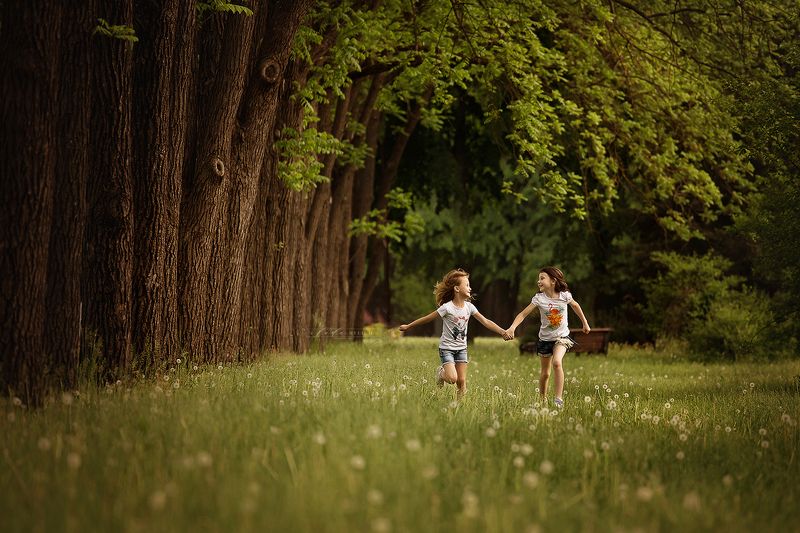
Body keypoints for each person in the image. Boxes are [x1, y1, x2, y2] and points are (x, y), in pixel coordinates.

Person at [399, 268, 507, 397]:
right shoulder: (447, 308)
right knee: (452, 379)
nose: (470, 288)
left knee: (461, 381)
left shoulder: (469, 307)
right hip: (447, 349)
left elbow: (485, 321)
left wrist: (502, 331)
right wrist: (409, 326)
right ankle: (441, 373)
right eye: (466, 285)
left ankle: (458, 408)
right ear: (456, 289)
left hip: (462, 349)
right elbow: (427, 318)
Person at [503, 266, 590, 408]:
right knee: (545, 374)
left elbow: (576, 306)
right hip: (545, 339)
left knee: (557, 362)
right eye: (538, 279)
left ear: (553, 281)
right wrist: (512, 328)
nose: (539, 281)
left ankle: (558, 399)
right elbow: (523, 314)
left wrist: (585, 323)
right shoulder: (539, 298)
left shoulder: (564, 296)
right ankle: (542, 400)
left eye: (542, 278)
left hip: (562, 338)